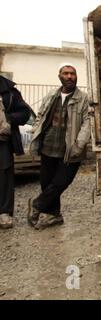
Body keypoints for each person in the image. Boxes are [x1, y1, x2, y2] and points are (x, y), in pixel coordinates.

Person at [28, 63, 90, 230]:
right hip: (48, 146)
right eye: (66, 73)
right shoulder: (52, 95)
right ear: (60, 76)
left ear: (76, 77)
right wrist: (35, 130)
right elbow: (41, 114)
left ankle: (37, 205)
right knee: (47, 183)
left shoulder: (83, 98)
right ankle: (54, 215)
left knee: (62, 181)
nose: (69, 76)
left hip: (70, 149)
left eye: (73, 74)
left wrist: (79, 144)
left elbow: (87, 123)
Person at [0, 76, 31, 229]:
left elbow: (25, 114)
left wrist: (7, 118)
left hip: (2, 141)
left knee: (4, 176)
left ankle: (4, 213)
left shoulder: (10, 92)